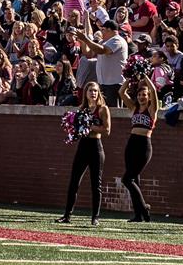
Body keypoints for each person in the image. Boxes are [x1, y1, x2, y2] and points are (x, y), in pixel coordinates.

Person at [57, 80, 111, 225]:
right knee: (74, 181)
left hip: (96, 147)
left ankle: (95, 217)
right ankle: (67, 215)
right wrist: (72, 129)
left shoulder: (102, 109)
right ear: (85, 93)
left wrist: (90, 126)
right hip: (83, 146)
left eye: (95, 90)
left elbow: (107, 130)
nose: (93, 93)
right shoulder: (81, 109)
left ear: (98, 92)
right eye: (90, 90)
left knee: (96, 184)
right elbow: (78, 130)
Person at [119, 71, 159, 223]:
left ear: (148, 97)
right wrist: (130, 78)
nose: (142, 97)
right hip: (132, 143)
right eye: (140, 95)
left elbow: (154, 90)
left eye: (144, 95)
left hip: (144, 145)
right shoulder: (134, 107)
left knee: (127, 179)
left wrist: (144, 76)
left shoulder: (152, 110)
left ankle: (144, 208)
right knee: (134, 179)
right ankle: (138, 215)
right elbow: (121, 92)